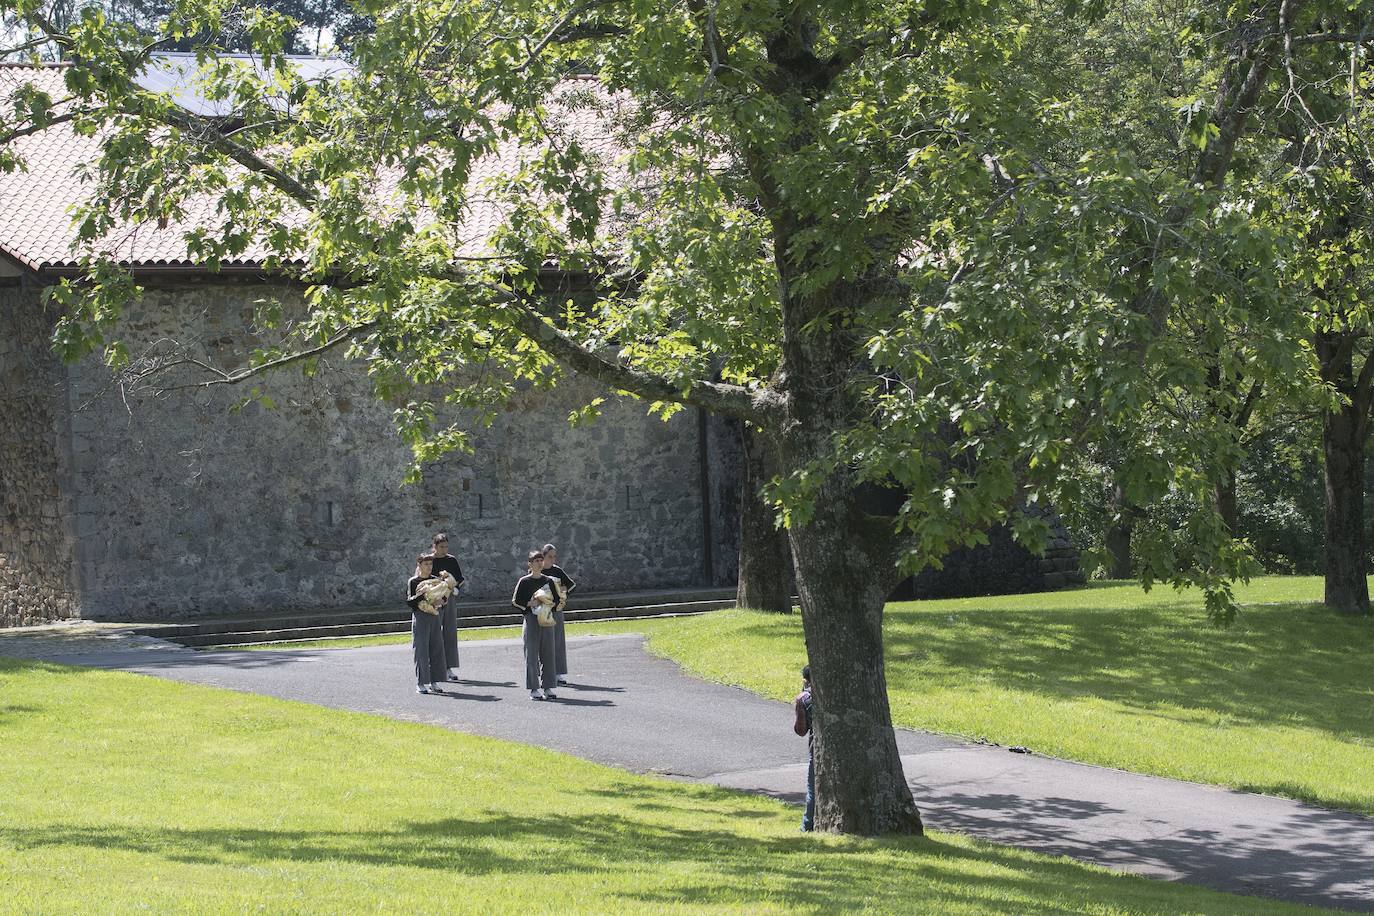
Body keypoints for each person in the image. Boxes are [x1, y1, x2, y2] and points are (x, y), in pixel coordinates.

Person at [512, 550, 558, 700]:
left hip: (546, 619)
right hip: (531, 619)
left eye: (540, 560)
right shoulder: (524, 581)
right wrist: (529, 603)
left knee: (548, 654)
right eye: (536, 560)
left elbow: (557, 600)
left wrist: (548, 603)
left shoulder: (548, 581)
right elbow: (515, 601)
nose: (539, 563)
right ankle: (533, 688)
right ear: (530, 564)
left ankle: (548, 687)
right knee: (531, 654)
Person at [427, 532, 466, 682]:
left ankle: (448, 667)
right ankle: (435, 666)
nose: (444, 549)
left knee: (449, 632)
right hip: (434, 600)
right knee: (435, 632)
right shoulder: (429, 560)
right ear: (434, 546)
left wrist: (454, 588)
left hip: (449, 599)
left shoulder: (451, 560)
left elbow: (459, 579)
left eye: (446, 546)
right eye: (441, 547)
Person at [407, 555, 447, 695]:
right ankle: (421, 682)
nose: (429, 567)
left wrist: (442, 601)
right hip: (420, 617)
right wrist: (421, 594)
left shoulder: (435, 580)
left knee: (436, 648)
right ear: (419, 565)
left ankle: (434, 681)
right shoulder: (413, 581)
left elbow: (444, 595)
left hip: (434, 616)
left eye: (430, 564)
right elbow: (410, 602)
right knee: (421, 650)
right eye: (426, 564)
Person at [540, 543, 576, 685]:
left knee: (558, 642)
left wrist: (562, 589)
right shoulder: (538, 571)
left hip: (556, 611)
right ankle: (544, 672)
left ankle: (559, 672)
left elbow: (571, 585)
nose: (552, 559)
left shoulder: (558, 571)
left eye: (554, 557)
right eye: (550, 556)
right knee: (543, 644)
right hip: (542, 612)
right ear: (543, 556)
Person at [793, 664, 815, 831]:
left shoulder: (805, 699)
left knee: (812, 791)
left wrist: (799, 706)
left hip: (817, 751)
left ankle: (807, 826)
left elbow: (801, 730)